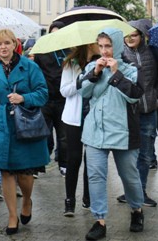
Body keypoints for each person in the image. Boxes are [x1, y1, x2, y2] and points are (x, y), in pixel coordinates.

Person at [80, 28, 145, 240]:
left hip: (123, 132)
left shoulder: (132, 69)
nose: (104, 51)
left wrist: (117, 74)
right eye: (101, 46)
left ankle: (136, 209)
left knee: (129, 176)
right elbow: (83, 92)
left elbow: (135, 97)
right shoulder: (92, 66)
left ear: (117, 45)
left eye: (108, 46)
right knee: (96, 175)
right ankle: (99, 221)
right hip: (95, 130)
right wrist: (96, 73)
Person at [0, 28, 49, 235]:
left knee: (25, 174)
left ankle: (27, 200)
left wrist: (24, 98)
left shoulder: (30, 66)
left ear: (14, 44)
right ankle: (12, 216)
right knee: (6, 171)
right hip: (1, 126)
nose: (3, 47)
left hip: (24, 125)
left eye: (7, 43)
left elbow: (43, 94)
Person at [116, 20, 158, 207]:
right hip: (128, 111)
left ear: (142, 36)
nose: (130, 39)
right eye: (127, 36)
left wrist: (156, 95)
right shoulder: (120, 55)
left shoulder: (154, 52)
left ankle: (140, 191)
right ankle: (130, 191)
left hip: (149, 109)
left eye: (134, 35)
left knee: (145, 154)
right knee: (128, 155)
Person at [60, 44, 98, 216]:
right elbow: (64, 91)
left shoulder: (100, 63)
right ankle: (69, 200)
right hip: (74, 118)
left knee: (91, 159)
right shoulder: (71, 64)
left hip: (94, 118)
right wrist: (82, 79)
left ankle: (88, 198)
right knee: (74, 159)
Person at [33, 20, 68, 177]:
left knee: (63, 135)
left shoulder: (69, 52)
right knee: (44, 134)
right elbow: (36, 72)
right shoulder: (42, 51)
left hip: (63, 100)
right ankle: (40, 163)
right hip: (46, 99)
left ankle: (63, 163)